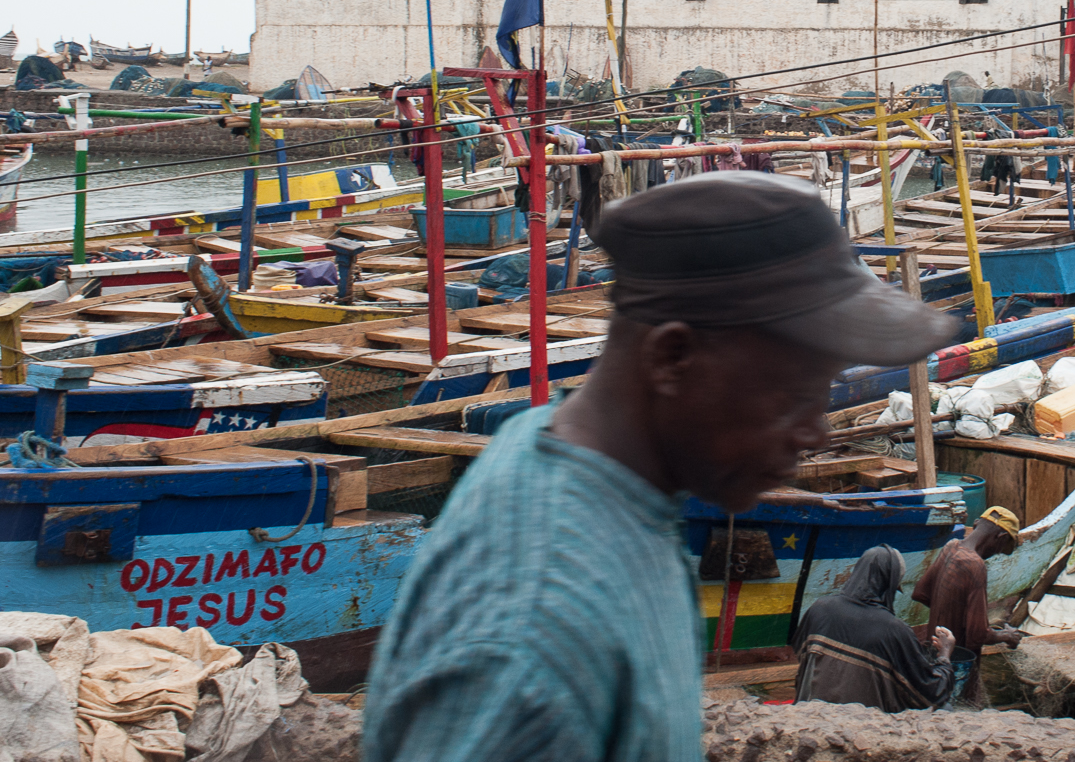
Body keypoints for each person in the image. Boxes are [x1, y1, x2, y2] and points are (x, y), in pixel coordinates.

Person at [361, 173, 955, 762]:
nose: (817, 431)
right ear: (672, 358)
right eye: (796, 394)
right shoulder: (535, 644)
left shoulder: (567, 460)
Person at [791, 545, 957, 711]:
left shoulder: (819, 609)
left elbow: (801, 654)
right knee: (945, 709)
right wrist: (944, 654)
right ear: (889, 585)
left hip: (810, 713)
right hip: (860, 726)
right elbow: (932, 694)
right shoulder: (894, 630)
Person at [912, 506, 1025, 701]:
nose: (997, 553)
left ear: (976, 524)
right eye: (1001, 549)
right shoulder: (975, 565)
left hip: (933, 652)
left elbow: (921, 593)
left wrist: (952, 612)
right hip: (958, 664)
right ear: (1000, 538)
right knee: (959, 710)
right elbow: (978, 634)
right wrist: (1007, 635)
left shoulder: (951, 546)